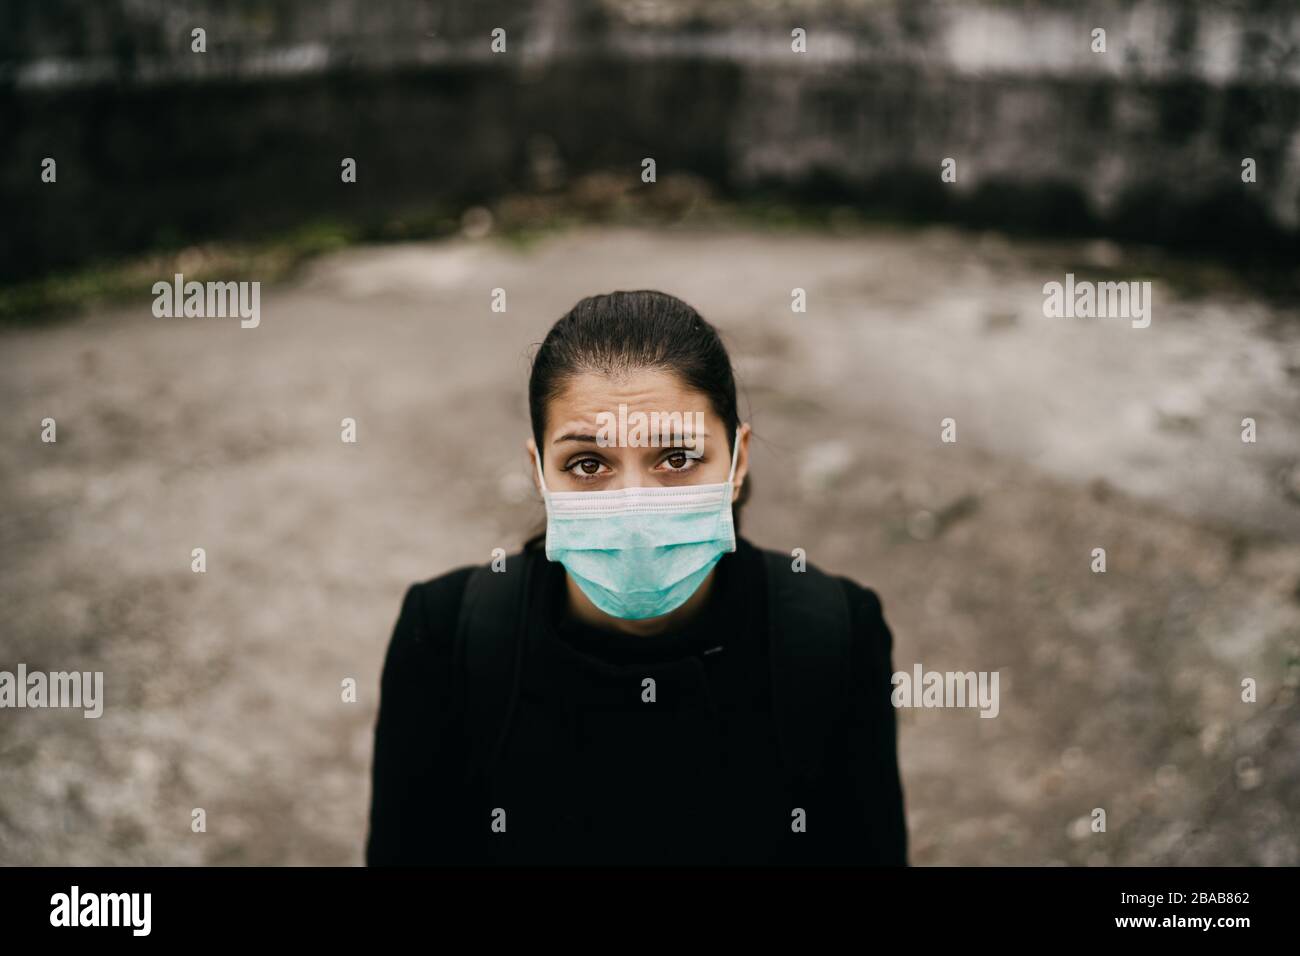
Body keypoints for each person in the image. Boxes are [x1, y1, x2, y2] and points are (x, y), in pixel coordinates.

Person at [365, 290, 907, 865]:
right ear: (539, 474)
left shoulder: (832, 630)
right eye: (588, 464)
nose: (634, 507)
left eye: (676, 458)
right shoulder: (447, 634)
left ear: (738, 460)